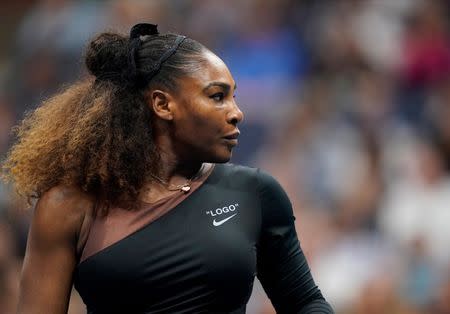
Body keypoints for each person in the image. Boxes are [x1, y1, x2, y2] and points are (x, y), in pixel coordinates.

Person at [3, 23, 334, 314]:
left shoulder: (255, 193)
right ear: (162, 104)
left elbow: (305, 303)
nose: (236, 113)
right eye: (218, 96)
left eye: (233, 97)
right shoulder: (67, 207)